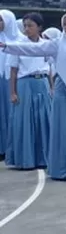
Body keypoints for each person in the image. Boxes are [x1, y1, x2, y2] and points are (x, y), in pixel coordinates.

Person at [2, 12, 66, 181]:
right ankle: (65, 168)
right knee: (65, 129)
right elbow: (33, 49)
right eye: (65, 24)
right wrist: (7, 46)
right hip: (65, 92)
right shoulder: (57, 44)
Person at [4, 12, 51, 170]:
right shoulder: (19, 44)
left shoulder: (45, 44)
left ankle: (44, 157)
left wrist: (51, 87)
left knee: (43, 120)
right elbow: (13, 71)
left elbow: (49, 67)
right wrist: (13, 92)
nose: (27, 29)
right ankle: (26, 158)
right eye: (25, 26)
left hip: (42, 82)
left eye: (30, 25)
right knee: (26, 121)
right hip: (25, 84)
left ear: (39, 27)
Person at [0, 9, 19, 163]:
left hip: (11, 82)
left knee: (10, 115)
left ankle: (9, 149)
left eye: (1, 20)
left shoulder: (18, 40)